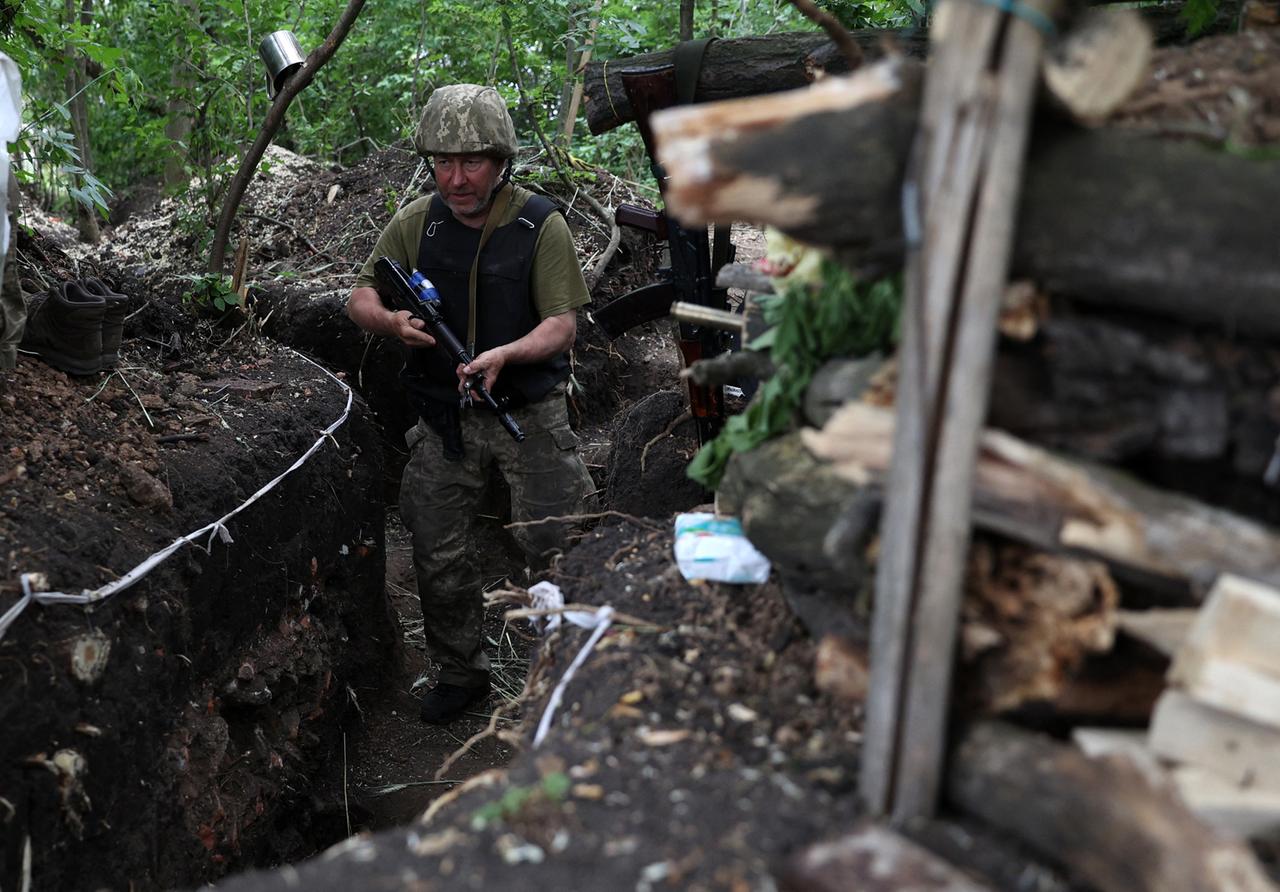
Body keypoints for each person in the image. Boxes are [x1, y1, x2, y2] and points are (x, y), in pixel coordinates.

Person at [346, 84, 596, 725]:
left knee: (560, 546)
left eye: (472, 162)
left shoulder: (540, 224)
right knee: (438, 554)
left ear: (500, 161)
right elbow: (359, 296)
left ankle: (569, 678)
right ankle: (460, 675)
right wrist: (392, 322)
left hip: (530, 415)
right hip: (444, 418)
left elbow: (563, 324)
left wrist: (506, 354)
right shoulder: (416, 222)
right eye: (443, 162)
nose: (455, 178)